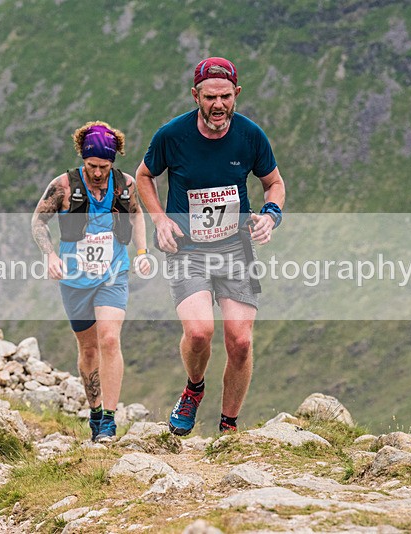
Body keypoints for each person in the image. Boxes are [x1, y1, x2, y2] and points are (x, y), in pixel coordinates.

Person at [135, 57, 286, 436]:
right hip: (187, 249)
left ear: (236, 94)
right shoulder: (172, 135)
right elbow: (143, 176)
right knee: (200, 332)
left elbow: (275, 183)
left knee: (240, 341)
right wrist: (160, 219)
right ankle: (193, 388)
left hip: (236, 248)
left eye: (225, 97)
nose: (218, 105)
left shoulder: (251, 135)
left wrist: (270, 215)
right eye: (209, 97)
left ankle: (228, 427)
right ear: (195, 96)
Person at [31, 121, 151, 443]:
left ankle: (110, 420)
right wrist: (50, 255)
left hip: (113, 274)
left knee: (109, 339)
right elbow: (38, 222)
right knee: (87, 349)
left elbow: (137, 214)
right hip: (74, 280)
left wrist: (141, 250)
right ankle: (95, 411)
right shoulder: (63, 186)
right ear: (83, 159)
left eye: (104, 166)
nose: (98, 173)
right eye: (91, 166)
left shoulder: (125, 184)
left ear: (113, 161)